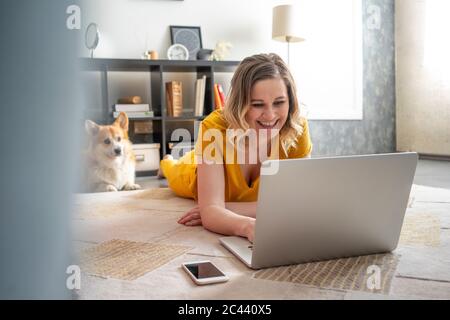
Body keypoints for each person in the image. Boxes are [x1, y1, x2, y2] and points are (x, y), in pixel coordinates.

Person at [158, 53, 312, 242]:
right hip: (190, 172)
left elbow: (300, 203)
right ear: (240, 104)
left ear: (290, 100)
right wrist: (248, 225)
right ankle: (167, 162)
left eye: (279, 102)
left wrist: (221, 208)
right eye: (257, 104)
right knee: (173, 169)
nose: (270, 115)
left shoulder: (297, 127)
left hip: (217, 179)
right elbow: (211, 215)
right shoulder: (214, 128)